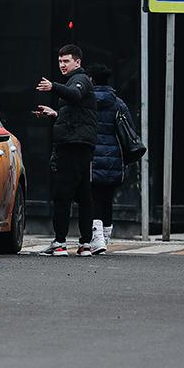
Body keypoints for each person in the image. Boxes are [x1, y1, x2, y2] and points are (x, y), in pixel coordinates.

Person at [35, 44, 97, 257]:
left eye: (66, 61)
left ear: (77, 62)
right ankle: (85, 244)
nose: (62, 65)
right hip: (80, 146)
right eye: (60, 61)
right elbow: (77, 113)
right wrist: (55, 114)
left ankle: (60, 243)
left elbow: (75, 95)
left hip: (71, 148)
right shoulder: (77, 80)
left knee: (62, 196)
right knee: (83, 196)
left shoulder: (79, 79)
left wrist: (53, 86)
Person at [84, 63, 133, 255]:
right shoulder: (118, 102)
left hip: (92, 156)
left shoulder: (87, 101)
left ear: (91, 80)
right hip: (114, 157)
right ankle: (106, 237)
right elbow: (129, 129)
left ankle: (97, 240)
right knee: (107, 199)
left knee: (93, 198)